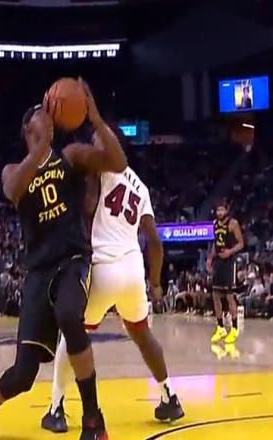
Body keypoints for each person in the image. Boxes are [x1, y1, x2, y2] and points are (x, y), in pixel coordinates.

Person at [0, 79, 127, 440]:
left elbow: (118, 161)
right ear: (26, 128)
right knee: (23, 375)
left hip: (73, 259)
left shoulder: (71, 156)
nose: (48, 116)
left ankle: (93, 420)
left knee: (69, 315)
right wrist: (39, 150)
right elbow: (12, 190)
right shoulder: (13, 170)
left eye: (50, 113)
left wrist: (95, 119)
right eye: (40, 113)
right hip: (38, 271)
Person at [41, 165, 184, 434]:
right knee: (141, 332)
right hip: (132, 269)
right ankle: (170, 396)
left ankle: (55, 407)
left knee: (73, 333)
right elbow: (154, 241)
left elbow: (86, 206)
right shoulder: (140, 186)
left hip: (104, 266)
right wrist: (155, 282)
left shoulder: (101, 171)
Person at [207, 200, 244, 344]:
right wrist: (210, 259)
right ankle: (220, 327)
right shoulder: (215, 224)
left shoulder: (233, 223)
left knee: (229, 296)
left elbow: (241, 243)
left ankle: (234, 328)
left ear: (227, 210)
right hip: (218, 262)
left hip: (230, 262)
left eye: (222, 210)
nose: (220, 212)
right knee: (215, 295)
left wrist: (229, 252)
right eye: (218, 210)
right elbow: (216, 244)